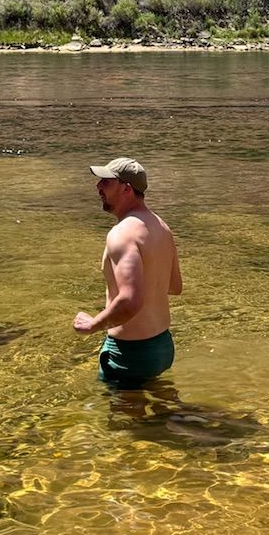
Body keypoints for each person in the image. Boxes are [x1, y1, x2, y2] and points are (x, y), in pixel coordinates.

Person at [73, 156, 181, 386]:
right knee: (159, 415)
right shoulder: (161, 226)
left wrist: (93, 325)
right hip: (162, 347)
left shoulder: (122, 233)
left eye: (106, 182)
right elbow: (174, 287)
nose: (98, 186)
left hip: (130, 353)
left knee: (122, 421)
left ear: (126, 189)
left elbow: (130, 301)